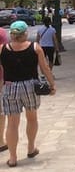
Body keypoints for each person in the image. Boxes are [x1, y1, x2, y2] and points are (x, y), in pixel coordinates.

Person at [0, 21, 56, 167]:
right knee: (32, 118)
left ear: (11, 34)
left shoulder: (2, 49)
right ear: (25, 33)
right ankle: (31, 148)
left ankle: (12, 158)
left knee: (12, 123)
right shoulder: (35, 47)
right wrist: (52, 85)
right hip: (30, 86)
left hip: (10, 87)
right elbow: (45, 68)